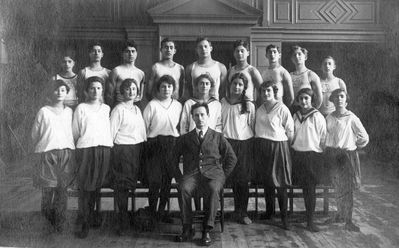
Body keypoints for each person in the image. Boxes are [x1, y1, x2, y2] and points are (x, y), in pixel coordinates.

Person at [174, 102, 237, 246]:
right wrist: (180, 177)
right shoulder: (185, 138)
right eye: (196, 115)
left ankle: (206, 230)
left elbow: (232, 158)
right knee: (183, 188)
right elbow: (173, 160)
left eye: (202, 114)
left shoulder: (217, 136)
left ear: (208, 116)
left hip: (214, 175)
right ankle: (187, 228)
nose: (200, 118)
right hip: (192, 175)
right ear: (192, 118)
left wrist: (223, 176)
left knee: (214, 189)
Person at [31, 80, 75, 232]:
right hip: (48, 154)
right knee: (48, 190)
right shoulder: (43, 111)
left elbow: (73, 132)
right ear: (51, 93)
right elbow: (34, 134)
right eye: (56, 90)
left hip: (66, 154)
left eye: (62, 90)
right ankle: (47, 219)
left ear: (66, 92)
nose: (59, 93)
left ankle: (60, 222)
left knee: (62, 190)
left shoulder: (70, 112)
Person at [72, 76, 113, 238]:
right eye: (92, 88)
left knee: (96, 186)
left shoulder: (106, 108)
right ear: (86, 91)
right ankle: (84, 221)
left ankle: (93, 216)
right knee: (85, 187)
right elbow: (75, 131)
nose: (95, 91)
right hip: (86, 150)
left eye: (98, 88)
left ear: (102, 90)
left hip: (103, 150)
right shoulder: (81, 108)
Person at [324, 89, 369, 232]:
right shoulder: (329, 117)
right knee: (337, 186)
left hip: (347, 156)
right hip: (333, 155)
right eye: (336, 97)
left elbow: (364, 137)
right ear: (332, 100)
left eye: (342, 96)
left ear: (346, 100)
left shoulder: (351, 117)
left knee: (347, 189)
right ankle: (339, 214)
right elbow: (325, 135)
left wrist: (354, 145)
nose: (339, 99)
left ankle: (348, 220)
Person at [254, 81, 294, 230]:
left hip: (278, 147)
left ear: (274, 92)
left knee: (280, 183)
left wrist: (282, 147)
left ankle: (284, 218)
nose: (265, 94)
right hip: (262, 147)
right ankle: (270, 212)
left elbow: (290, 131)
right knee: (267, 182)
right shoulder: (259, 109)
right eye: (263, 91)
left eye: (268, 91)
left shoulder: (282, 108)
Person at [142, 75, 182, 223]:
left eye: (169, 86)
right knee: (154, 181)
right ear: (158, 89)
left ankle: (161, 213)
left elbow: (181, 126)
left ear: (173, 89)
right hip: (154, 144)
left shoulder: (178, 105)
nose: (166, 89)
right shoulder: (152, 105)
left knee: (167, 181)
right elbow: (144, 126)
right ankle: (152, 212)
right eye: (163, 87)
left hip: (172, 144)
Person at [110, 79, 146, 235]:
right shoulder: (118, 109)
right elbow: (111, 133)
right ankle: (122, 220)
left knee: (131, 184)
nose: (131, 92)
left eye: (133, 89)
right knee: (123, 186)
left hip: (136, 150)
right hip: (122, 151)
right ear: (122, 92)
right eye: (127, 89)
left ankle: (129, 217)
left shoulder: (137, 109)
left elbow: (141, 132)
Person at [221, 73, 255, 225]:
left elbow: (252, 125)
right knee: (229, 179)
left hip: (244, 145)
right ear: (230, 85)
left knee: (243, 180)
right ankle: (228, 212)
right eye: (234, 83)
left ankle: (242, 212)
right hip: (227, 144)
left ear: (244, 88)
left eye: (240, 84)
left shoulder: (249, 106)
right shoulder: (223, 102)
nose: (237, 87)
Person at [291, 88, 326, 232]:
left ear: (311, 99)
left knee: (309, 189)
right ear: (298, 101)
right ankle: (296, 215)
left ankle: (310, 220)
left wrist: (318, 153)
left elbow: (323, 138)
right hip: (297, 155)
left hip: (312, 157)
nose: (304, 101)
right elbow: (292, 134)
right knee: (296, 185)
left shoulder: (317, 116)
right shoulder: (295, 115)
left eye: (306, 98)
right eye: (301, 99)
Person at [106, 40, 145, 108]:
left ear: (136, 53)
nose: (130, 54)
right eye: (127, 51)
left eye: (133, 51)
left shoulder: (141, 73)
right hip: (120, 104)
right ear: (122, 54)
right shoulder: (116, 71)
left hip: (136, 105)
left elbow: (140, 95)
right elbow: (110, 95)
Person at [290, 45, 322, 111]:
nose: (297, 56)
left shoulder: (311, 75)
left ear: (305, 57)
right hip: (293, 111)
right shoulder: (289, 75)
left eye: (299, 54)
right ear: (292, 59)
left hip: (307, 110)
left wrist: (311, 112)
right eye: (294, 55)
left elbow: (319, 99)